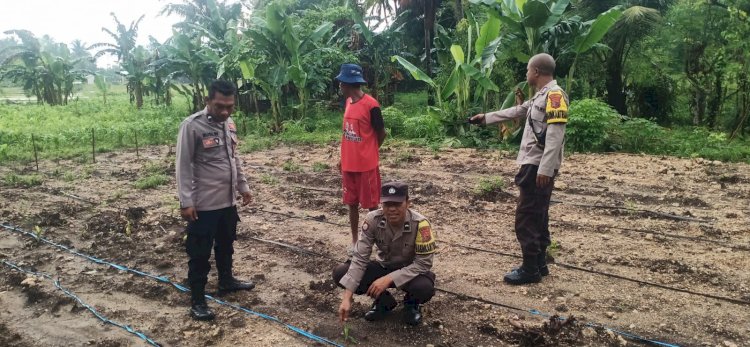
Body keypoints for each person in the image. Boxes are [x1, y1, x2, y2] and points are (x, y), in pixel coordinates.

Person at [469, 53, 569, 285]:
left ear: (536, 71)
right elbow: (517, 111)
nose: (526, 74)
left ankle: (530, 269)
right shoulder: (540, 96)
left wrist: (545, 168)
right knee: (539, 215)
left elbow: (555, 135)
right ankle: (539, 264)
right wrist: (486, 118)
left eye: (527, 70)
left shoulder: (554, 96)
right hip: (533, 164)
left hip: (537, 167)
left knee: (527, 217)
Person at [176, 80, 255, 321]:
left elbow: (234, 158)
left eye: (230, 107)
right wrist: (186, 201)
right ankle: (198, 300)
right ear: (207, 101)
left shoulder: (229, 124)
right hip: (203, 205)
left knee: (226, 244)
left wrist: (243, 187)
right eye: (220, 106)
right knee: (199, 253)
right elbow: (183, 166)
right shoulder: (191, 126)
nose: (225, 112)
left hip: (227, 202)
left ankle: (226, 280)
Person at [333, 182, 437, 326]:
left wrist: (388, 279)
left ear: (408, 203)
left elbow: (423, 263)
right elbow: (359, 259)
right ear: (381, 204)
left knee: (423, 288)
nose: (392, 209)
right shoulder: (373, 220)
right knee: (341, 273)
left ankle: (411, 305)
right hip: (384, 266)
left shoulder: (420, 224)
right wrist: (347, 298)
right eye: (387, 204)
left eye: (397, 204)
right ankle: (384, 302)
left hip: (411, 271)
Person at [336, 63, 387, 257]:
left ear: (348, 84)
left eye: (341, 83)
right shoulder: (348, 103)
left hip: (366, 165)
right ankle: (355, 241)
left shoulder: (372, 105)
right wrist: (343, 158)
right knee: (351, 203)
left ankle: (378, 242)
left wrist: (370, 151)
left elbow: (381, 133)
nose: (339, 87)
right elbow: (346, 134)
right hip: (349, 165)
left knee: (372, 206)